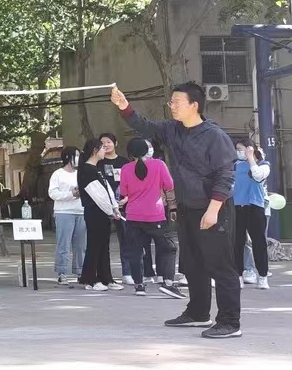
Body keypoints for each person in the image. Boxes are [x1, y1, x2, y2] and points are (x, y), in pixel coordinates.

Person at [112, 82, 240, 339]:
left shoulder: (214, 135)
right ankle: (198, 313)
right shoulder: (173, 130)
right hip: (186, 207)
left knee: (220, 265)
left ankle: (230, 322)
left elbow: (225, 175)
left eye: (177, 102)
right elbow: (145, 126)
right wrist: (124, 106)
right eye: (171, 102)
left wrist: (213, 210)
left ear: (194, 105)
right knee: (193, 264)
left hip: (213, 208)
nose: (172, 106)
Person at [118, 138, 185, 299]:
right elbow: (169, 185)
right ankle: (168, 283)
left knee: (136, 251)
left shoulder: (126, 168)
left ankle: (139, 285)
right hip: (155, 214)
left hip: (133, 215)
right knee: (168, 248)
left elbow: (124, 191)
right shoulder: (158, 165)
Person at [97, 133, 151, 286]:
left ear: (115, 143)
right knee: (102, 241)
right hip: (103, 205)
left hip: (124, 205)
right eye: (102, 143)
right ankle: (103, 274)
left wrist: (126, 198)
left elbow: (133, 183)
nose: (106, 145)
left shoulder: (124, 163)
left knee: (126, 239)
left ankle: (127, 272)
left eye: (108, 142)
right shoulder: (98, 163)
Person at [77, 138, 125, 292]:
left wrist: (114, 208)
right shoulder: (86, 170)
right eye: (102, 148)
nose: (105, 150)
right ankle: (91, 280)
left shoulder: (96, 168)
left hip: (103, 212)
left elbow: (107, 191)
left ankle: (106, 278)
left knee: (104, 246)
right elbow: (97, 195)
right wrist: (111, 210)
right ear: (95, 151)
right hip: (94, 212)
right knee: (95, 245)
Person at [232, 139, 270, 290]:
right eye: (237, 149)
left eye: (241, 149)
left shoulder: (263, 165)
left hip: (255, 207)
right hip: (237, 206)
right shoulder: (235, 165)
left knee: (259, 243)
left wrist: (250, 158)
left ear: (250, 149)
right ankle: (238, 276)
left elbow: (258, 176)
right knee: (237, 243)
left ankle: (263, 276)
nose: (239, 152)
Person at [49, 147, 86, 285]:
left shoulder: (80, 173)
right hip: (63, 212)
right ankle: (62, 272)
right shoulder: (58, 174)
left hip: (81, 211)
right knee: (63, 244)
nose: (77, 158)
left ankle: (80, 271)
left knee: (81, 245)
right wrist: (71, 194)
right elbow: (53, 193)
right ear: (67, 157)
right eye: (75, 155)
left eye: (78, 155)